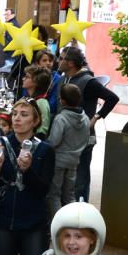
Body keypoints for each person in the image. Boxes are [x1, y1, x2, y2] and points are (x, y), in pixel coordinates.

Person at [0, 99, 56, 255]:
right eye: (15, 113)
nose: (17, 118)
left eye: (24, 115)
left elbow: (43, 190)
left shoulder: (45, 149)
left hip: (33, 224)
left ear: (35, 122)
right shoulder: (0, 145)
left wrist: (28, 171)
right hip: (4, 221)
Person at [58, 47, 118, 201]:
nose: (58, 61)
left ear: (70, 63)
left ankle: (81, 214)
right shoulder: (64, 78)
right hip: (66, 138)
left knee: (80, 180)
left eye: (61, 58)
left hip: (83, 138)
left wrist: (96, 117)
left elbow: (112, 98)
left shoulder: (88, 82)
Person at [46, 83, 90, 218]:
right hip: (74, 161)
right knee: (69, 194)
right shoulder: (86, 118)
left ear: (62, 100)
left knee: (54, 195)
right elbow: (86, 139)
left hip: (58, 161)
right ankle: (73, 221)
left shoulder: (61, 118)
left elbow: (54, 141)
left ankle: (59, 226)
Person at [23, 65, 52, 136]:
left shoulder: (41, 102)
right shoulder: (26, 98)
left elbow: (43, 129)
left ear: (36, 81)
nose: (23, 79)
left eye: (27, 77)